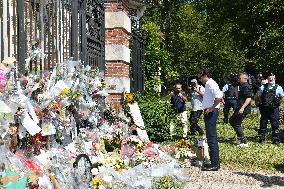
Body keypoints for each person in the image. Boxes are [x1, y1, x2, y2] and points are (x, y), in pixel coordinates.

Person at [198, 68, 223, 171]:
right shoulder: (208, 84)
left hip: (211, 113)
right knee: (210, 136)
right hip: (209, 112)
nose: (199, 79)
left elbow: (219, 97)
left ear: (205, 75)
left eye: (200, 77)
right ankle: (214, 162)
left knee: (211, 137)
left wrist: (212, 108)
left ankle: (215, 164)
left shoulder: (211, 83)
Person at [256, 73, 284, 145]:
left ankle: (276, 139)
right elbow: (258, 96)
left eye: (272, 77)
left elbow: (282, 97)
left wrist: (277, 103)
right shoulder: (262, 87)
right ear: (267, 78)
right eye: (269, 77)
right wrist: (262, 103)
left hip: (274, 109)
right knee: (263, 124)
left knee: (275, 125)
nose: (271, 79)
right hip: (264, 108)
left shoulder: (279, 88)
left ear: (274, 77)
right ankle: (261, 139)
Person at [229, 73, 252, 148]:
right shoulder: (242, 86)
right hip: (239, 107)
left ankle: (244, 142)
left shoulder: (246, 87)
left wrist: (242, 108)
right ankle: (239, 136)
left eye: (240, 78)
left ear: (245, 79)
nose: (238, 79)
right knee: (231, 120)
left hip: (243, 108)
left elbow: (249, 98)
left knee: (236, 124)